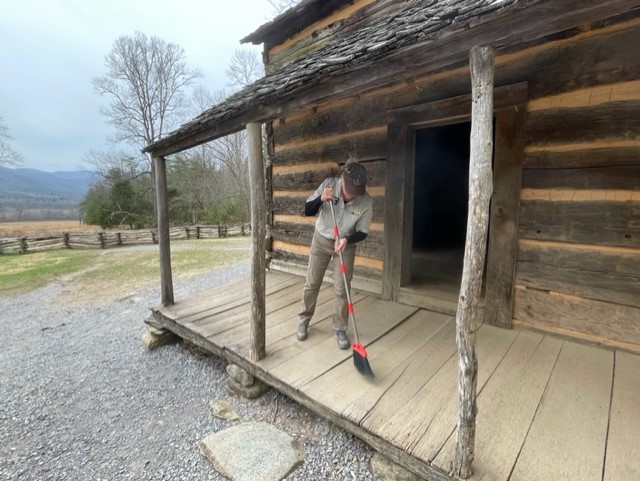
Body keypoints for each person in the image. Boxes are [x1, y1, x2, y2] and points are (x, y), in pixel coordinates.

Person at [297, 161, 373, 349]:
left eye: (354, 193)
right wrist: (321, 199)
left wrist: (347, 239)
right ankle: (304, 320)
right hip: (322, 240)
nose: (349, 196)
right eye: (347, 192)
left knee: (342, 289)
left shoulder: (366, 201)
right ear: (342, 180)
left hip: (345, 245)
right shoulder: (328, 186)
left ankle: (340, 328)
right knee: (312, 283)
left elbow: (363, 232)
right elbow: (307, 210)